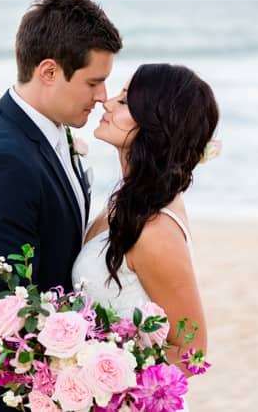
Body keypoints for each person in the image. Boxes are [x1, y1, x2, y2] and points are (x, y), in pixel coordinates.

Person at [0, 0, 122, 411]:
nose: (101, 96)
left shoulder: (51, 133)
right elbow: (9, 306)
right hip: (0, 390)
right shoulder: (2, 161)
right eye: (93, 82)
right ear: (49, 72)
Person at [72, 63, 219, 388]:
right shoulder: (127, 197)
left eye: (124, 102)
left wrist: (101, 368)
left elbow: (192, 352)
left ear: (154, 124)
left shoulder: (154, 229)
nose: (107, 102)